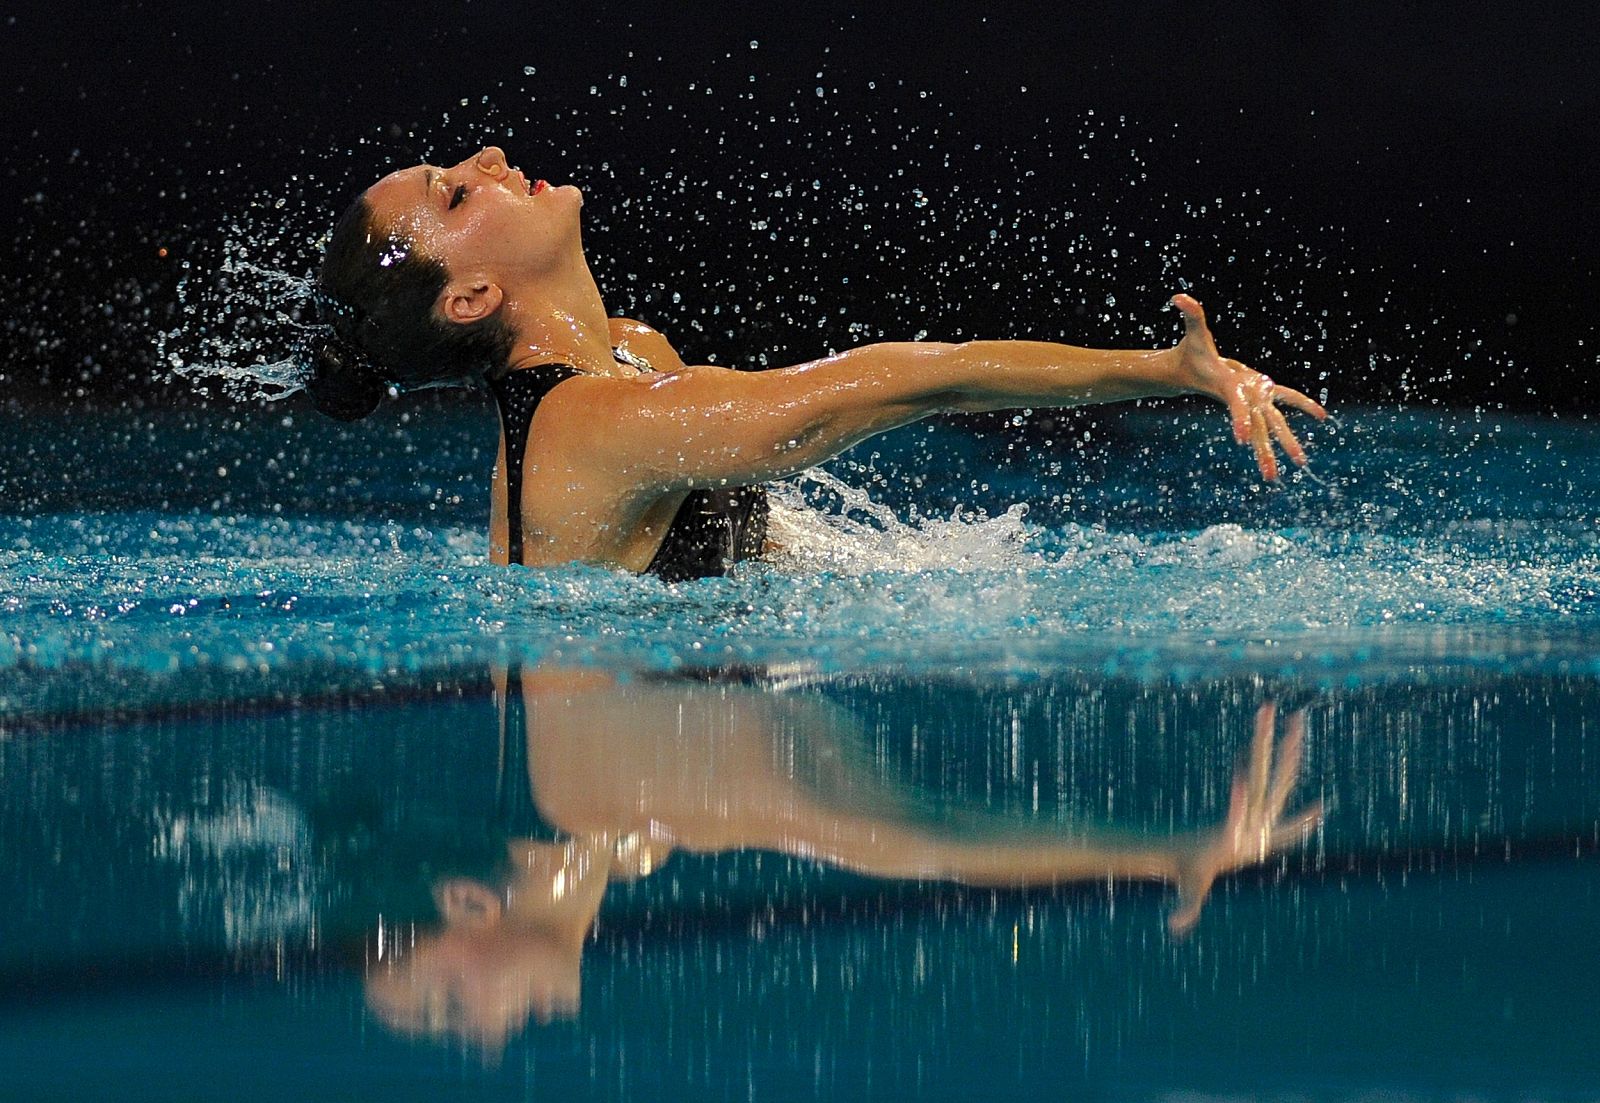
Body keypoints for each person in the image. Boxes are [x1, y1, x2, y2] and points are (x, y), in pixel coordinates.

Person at [305, 146, 1327, 581]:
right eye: (453, 197)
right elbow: (902, 375)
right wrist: (1165, 368)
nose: (486, 161)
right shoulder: (589, 426)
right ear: (471, 298)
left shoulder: (631, 363)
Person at [363, 669, 1321, 1047]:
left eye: (446, 1000)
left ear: (470, 904)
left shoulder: (590, 801)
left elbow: (924, 845)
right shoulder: (631, 840)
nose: (481, 1040)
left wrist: (1167, 854)